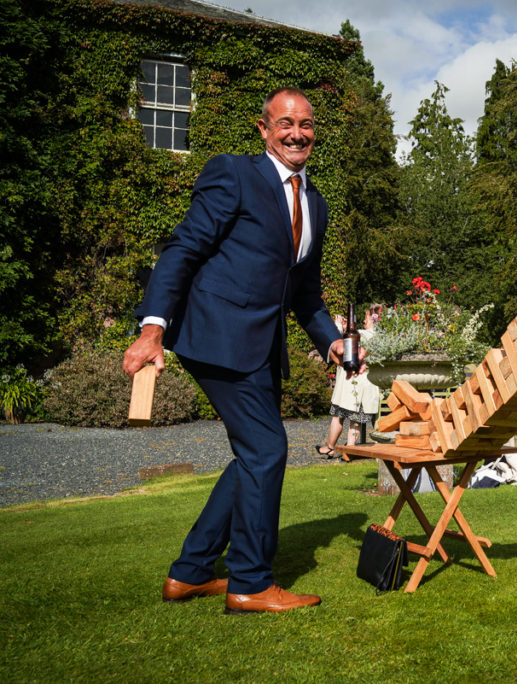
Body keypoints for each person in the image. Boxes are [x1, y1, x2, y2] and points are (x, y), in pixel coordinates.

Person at [123, 87, 350, 613]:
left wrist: (331, 340)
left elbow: (305, 293)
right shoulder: (234, 173)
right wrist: (152, 326)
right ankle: (249, 583)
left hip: (260, 346)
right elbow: (184, 247)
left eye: (307, 124)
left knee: (254, 454)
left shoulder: (315, 202)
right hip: (217, 335)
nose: (298, 132)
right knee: (268, 451)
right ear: (264, 130)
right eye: (286, 123)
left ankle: (191, 573)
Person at [317, 307, 382, 458]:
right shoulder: (381, 337)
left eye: (367, 318)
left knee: (339, 417)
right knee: (355, 420)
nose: (364, 321)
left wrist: (338, 326)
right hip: (367, 388)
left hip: (350, 386)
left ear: (374, 319)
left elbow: (341, 342)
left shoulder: (364, 335)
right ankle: (349, 449)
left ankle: (332, 447)